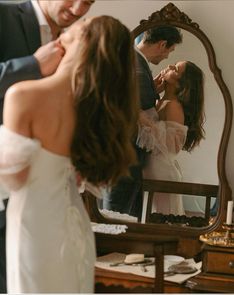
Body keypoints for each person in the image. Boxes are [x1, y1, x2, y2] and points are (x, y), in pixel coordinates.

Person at [0, 15, 139, 293]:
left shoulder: (23, 95)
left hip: (32, 222)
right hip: (74, 220)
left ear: (81, 39)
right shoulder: (95, 111)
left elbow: (14, 177)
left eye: (83, 22)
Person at [0, 0, 95, 292]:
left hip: (52, 206)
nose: (79, 9)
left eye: (89, 2)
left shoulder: (82, 39)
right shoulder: (2, 16)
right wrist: (32, 67)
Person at [103, 26, 182, 219]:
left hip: (122, 154)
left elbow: (133, 99)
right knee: (116, 216)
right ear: (162, 44)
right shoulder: (137, 68)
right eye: (169, 51)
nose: (166, 58)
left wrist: (153, 89)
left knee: (121, 213)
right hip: (125, 156)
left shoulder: (131, 59)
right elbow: (133, 109)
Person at [137, 61, 205, 215]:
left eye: (176, 69)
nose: (169, 66)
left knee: (160, 217)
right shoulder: (160, 101)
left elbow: (170, 146)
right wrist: (154, 90)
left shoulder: (174, 105)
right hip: (152, 167)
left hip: (161, 170)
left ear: (182, 83)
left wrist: (141, 117)